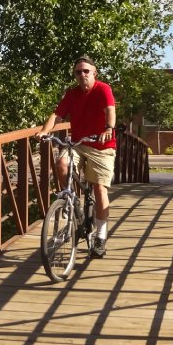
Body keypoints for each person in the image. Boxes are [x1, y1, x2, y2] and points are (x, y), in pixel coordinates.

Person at [39, 56, 117, 253]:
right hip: (79, 144)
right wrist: (45, 131)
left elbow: (110, 110)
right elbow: (57, 115)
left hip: (101, 145)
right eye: (78, 72)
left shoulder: (102, 89)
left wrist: (108, 128)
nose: (82, 74)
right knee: (61, 163)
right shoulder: (72, 94)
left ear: (94, 74)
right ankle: (73, 202)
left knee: (99, 189)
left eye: (86, 71)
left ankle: (100, 236)